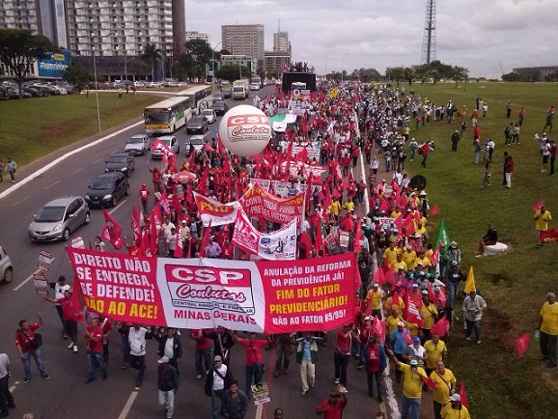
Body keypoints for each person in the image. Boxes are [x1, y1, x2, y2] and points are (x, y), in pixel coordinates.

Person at [389, 354, 428, 419]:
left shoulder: (421, 370)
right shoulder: (406, 367)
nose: (413, 367)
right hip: (405, 396)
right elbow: (397, 363)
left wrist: (419, 374)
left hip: (416, 397)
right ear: (410, 364)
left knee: (415, 415)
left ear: (417, 365)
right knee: (404, 413)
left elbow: (428, 382)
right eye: (412, 366)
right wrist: (392, 355)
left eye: (414, 366)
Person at [15, 316, 49, 383]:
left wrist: (40, 318)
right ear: (21, 327)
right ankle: (28, 377)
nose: (27, 325)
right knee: (27, 365)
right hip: (26, 351)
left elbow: (40, 323)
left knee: (39, 362)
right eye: (25, 325)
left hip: (35, 348)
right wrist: (21, 354)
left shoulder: (31, 327)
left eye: (27, 324)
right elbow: (18, 344)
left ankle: (44, 373)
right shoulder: (19, 333)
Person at [206, 355, 230, 419]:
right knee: (215, 406)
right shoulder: (212, 370)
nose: (217, 362)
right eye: (215, 361)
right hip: (215, 390)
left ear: (221, 361)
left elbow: (228, 377)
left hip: (223, 389)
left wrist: (228, 386)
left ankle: (223, 412)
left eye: (218, 361)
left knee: (224, 402)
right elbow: (208, 381)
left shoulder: (225, 367)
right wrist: (208, 391)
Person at [538, 292, 558, 368]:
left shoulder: (557, 306)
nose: (551, 298)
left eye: (553, 297)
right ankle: (546, 357)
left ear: (555, 298)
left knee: (552, 347)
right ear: (547, 298)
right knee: (542, 344)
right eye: (549, 297)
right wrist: (538, 326)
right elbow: (541, 316)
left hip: (554, 331)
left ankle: (553, 362)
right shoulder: (545, 304)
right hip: (544, 329)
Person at [364, 334, 386, 402]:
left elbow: (383, 359)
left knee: (378, 382)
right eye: (375, 343)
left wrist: (382, 368)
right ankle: (371, 392)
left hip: (377, 369)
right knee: (371, 381)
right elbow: (365, 356)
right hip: (370, 368)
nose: (376, 344)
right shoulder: (367, 348)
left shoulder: (380, 348)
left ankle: (379, 395)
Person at [85, 317, 107, 383]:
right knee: (90, 365)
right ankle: (91, 377)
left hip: (98, 351)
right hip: (90, 350)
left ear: (97, 323)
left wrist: (89, 335)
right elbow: (85, 337)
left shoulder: (99, 330)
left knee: (101, 363)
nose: (92, 323)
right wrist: (87, 345)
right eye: (92, 322)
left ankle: (104, 372)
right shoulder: (89, 328)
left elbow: (97, 340)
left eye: (94, 322)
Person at [129, 324, 149, 390]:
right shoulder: (130, 329)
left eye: (137, 324)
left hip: (141, 353)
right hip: (132, 352)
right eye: (134, 324)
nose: (136, 326)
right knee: (131, 364)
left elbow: (150, 336)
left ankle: (139, 381)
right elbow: (122, 330)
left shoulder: (144, 330)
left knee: (141, 367)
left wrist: (149, 330)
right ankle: (142, 368)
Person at [333, 325, 352, 393]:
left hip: (346, 354)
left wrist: (349, 352)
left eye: (348, 327)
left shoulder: (349, 334)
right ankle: (337, 378)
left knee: (344, 370)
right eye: (346, 327)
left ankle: (344, 384)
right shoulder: (340, 331)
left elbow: (350, 342)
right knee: (337, 366)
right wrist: (349, 333)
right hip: (338, 353)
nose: (347, 328)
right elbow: (344, 336)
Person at [0, 352, 15, 418]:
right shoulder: (4, 355)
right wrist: (8, 373)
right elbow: (8, 365)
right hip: (5, 376)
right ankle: (11, 404)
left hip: (1, 378)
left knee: (1, 396)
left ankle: (5, 411)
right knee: (6, 390)